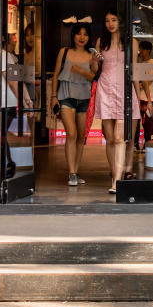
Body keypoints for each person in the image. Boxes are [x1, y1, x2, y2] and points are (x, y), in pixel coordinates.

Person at [50, 23, 97, 187]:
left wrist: (84, 70)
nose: (82, 37)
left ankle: (75, 172)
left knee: (80, 138)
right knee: (71, 133)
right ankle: (71, 173)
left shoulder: (92, 55)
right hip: (65, 97)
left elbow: (93, 77)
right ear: (73, 36)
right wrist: (53, 96)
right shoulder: (64, 52)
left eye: (85, 34)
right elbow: (56, 74)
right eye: (79, 34)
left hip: (84, 99)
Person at [94, 10, 128, 193]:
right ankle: (114, 172)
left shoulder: (130, 42)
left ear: (120, 21)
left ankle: (117, 180)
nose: (110, 23)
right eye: (107, 20)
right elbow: (94, 69)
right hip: (105, 88)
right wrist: (94, 60)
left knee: (119, 137)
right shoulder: (101, 42)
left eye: (113, 19)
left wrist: (140, 95)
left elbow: (135, 69)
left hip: (123, 89)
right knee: (109, 138)